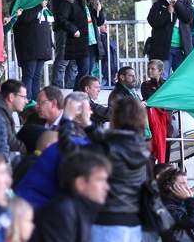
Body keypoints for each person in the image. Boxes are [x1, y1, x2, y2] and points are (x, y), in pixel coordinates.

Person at [58, 96, 149, 242]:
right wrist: (87, 124)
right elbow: (109, 141)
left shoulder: (107, 148)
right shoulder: (139, 146)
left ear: (116, 118)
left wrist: (67, 118)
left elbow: (67, 148)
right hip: (133, 222)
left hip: (106, 222)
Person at [30, 150, 111, 242]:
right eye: (100, 180)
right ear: (80, 183)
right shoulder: (62, 212)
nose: (107, 187)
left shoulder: (81, 208)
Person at [56, 0, 105, 91]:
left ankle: (83, 97)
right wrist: (73, 29)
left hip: (92, 41)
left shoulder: (92, 3)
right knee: (83, 71)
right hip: (79, 41)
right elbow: (60, 18)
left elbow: (100, 21)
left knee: (88, 73)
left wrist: (99, 10)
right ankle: (76, 96)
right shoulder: (70, 0)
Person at [147, 0, 194, 79]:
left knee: (182, 78)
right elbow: (153, 21)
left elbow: (189, 17)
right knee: (162, 77)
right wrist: (167, 12)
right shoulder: (159, 4)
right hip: (164, 49)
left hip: (181, 49)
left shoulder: (186, 3)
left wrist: (177, 4)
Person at [12, 0, 53, 100]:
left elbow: (46, 26)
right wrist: (39, 6)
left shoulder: (44, 4)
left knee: (37, 75)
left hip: (42, 46)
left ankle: (35, 101)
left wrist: (50, 42)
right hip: (28, 46)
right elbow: (25, 17)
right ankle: (26, 101)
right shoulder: (23, 1)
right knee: (28, 74)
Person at [158, 168, 194, 242]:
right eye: (182, 184)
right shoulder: (166, 208)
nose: (187, 187)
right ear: (169, 187)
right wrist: (189, 199)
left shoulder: (180, 203)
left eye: (187, 183)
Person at [0, 79, 28, 153]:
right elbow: (10, 142)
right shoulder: (0, 109)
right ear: (11, 97)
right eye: (23, 97)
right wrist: (35, 149)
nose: (26, 101)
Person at [50, 0, 77, 90]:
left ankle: (70, 90)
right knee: (63, 60)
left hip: (75, 28)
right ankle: (57, 91)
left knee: (73, 63)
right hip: (63, 28)